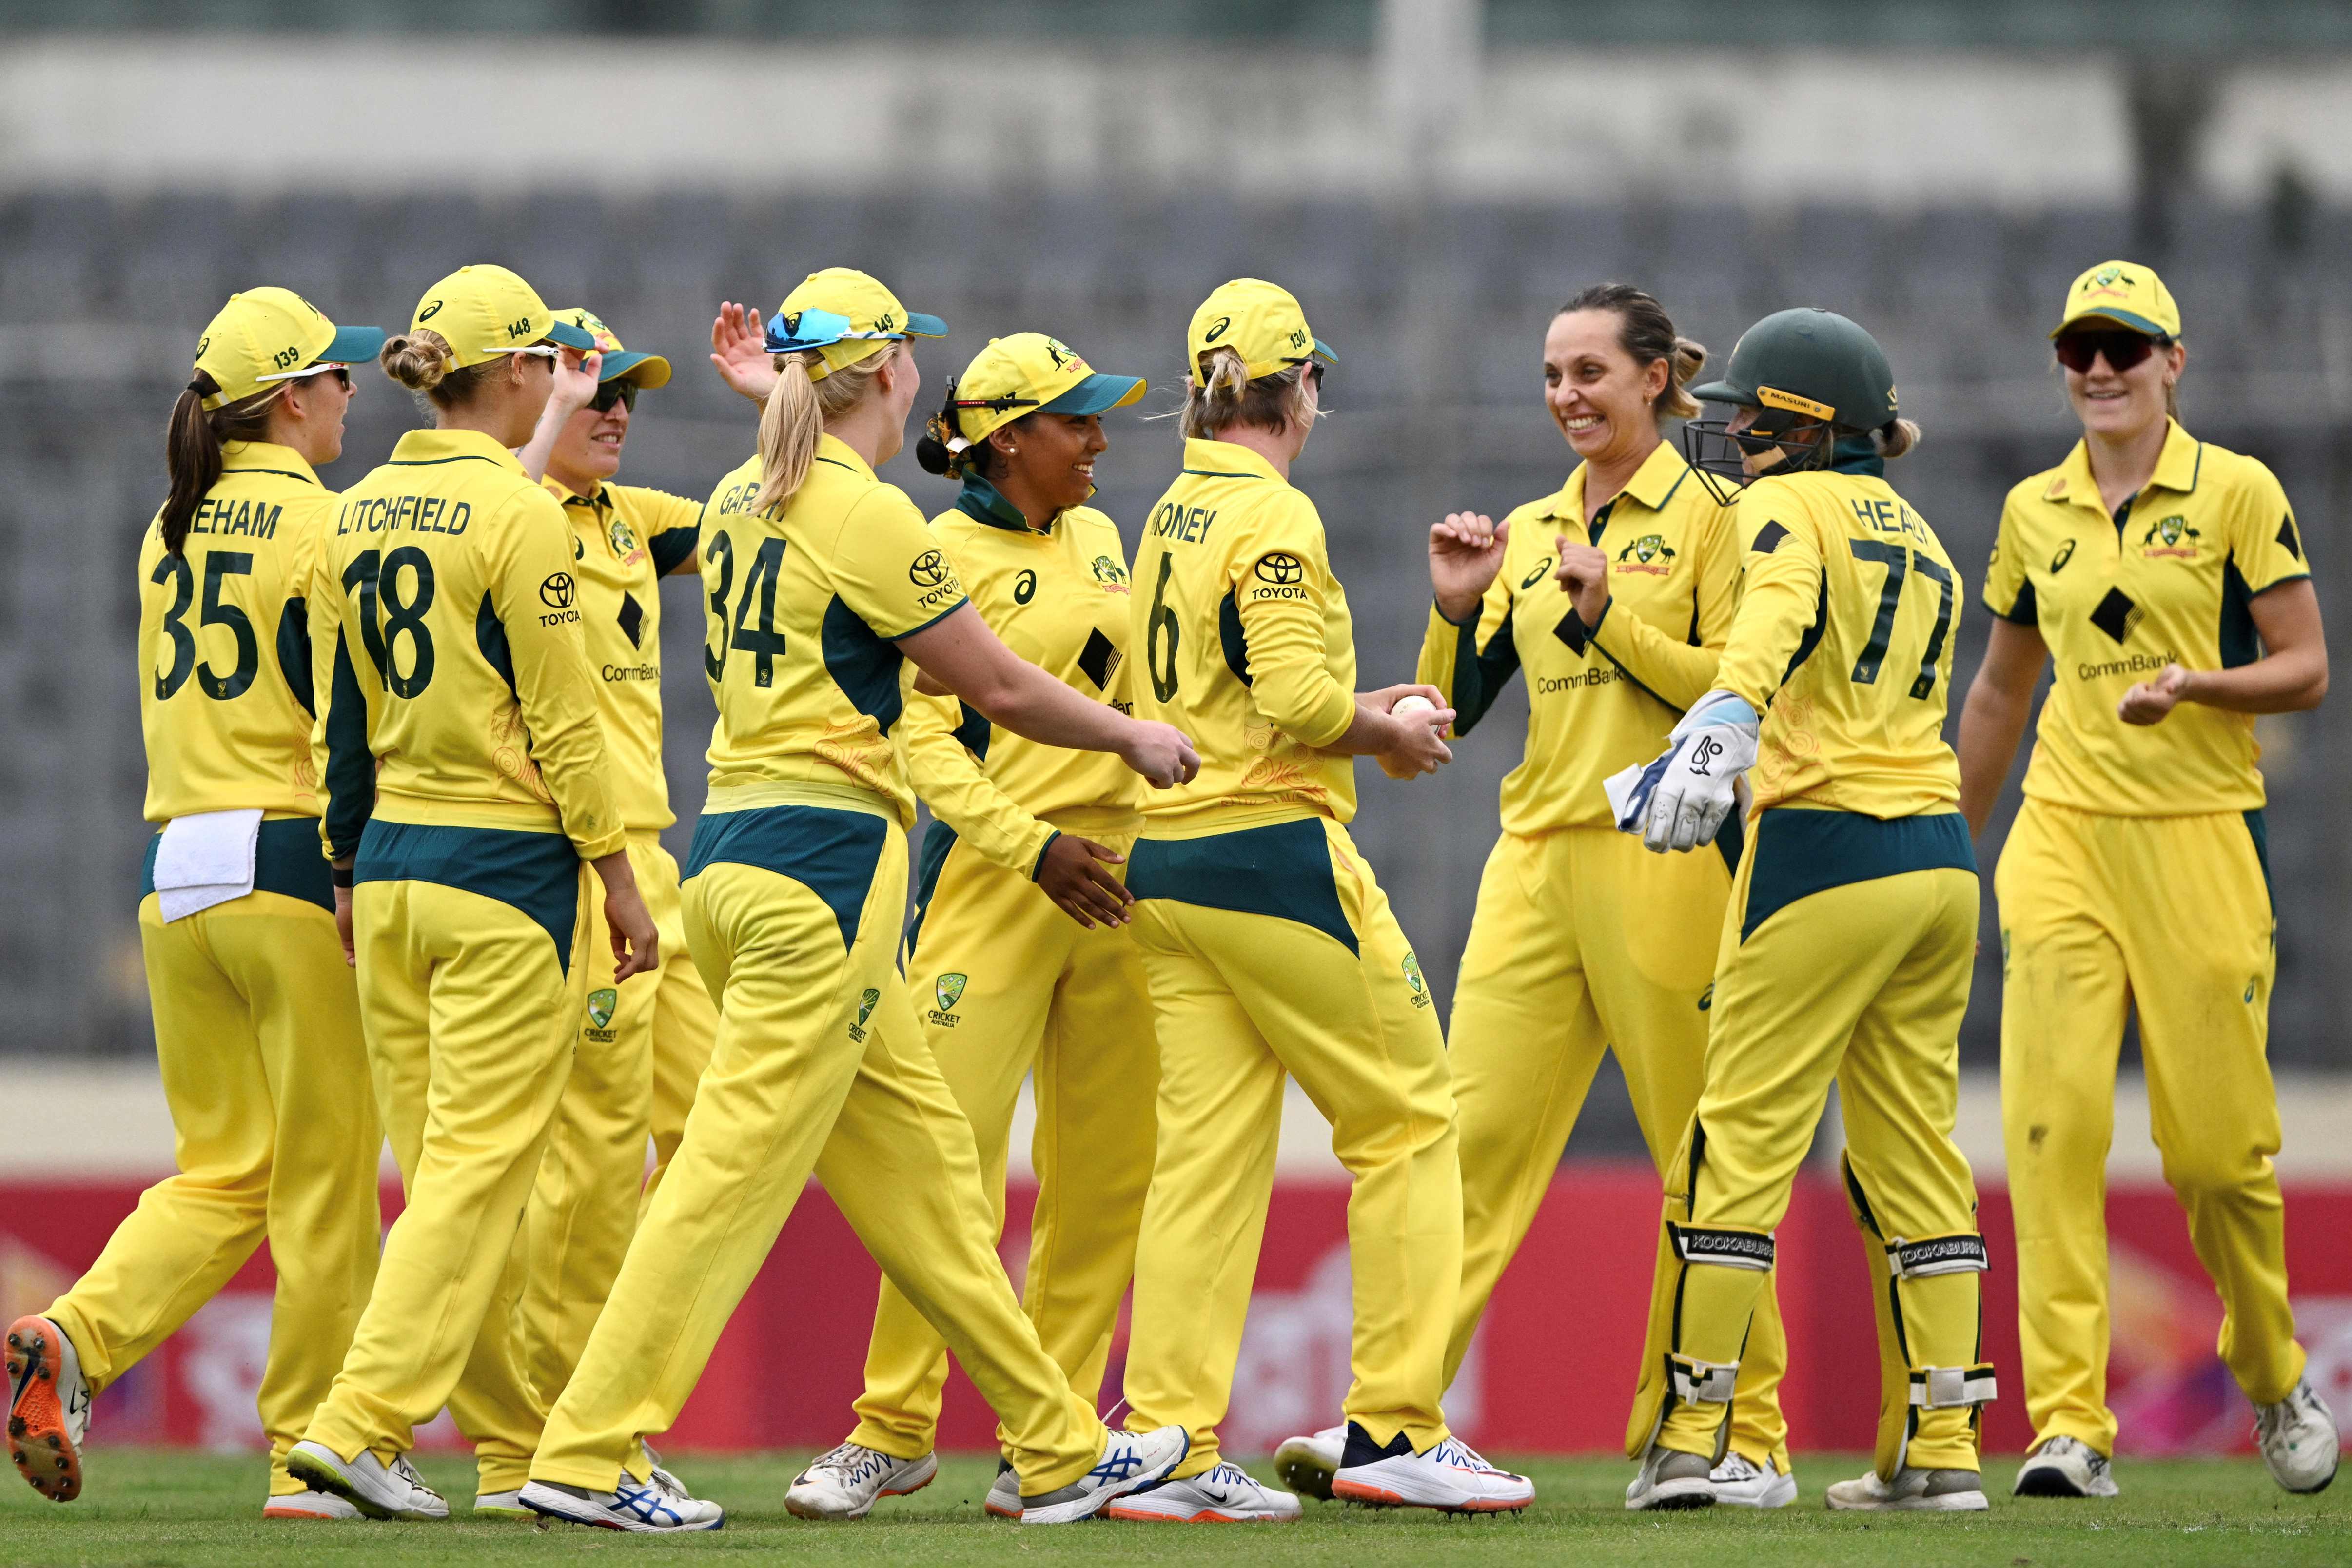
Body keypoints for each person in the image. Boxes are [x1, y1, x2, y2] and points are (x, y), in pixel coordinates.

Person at [519, 269, 1200, 1533]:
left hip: (732, 859)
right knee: (726, 1174)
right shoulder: (872, 515)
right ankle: (585, 1446)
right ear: (889, 374)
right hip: (822, 874)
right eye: (907, 359)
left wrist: (764, 399)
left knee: (931, 1175)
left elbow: (788, 498)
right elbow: (994, 687)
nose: (915, 376)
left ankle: (1053, 1448)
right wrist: (1133, 737)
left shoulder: (741, 493)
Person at [1274, 283, 1797, 1510]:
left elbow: (1737, 690)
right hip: (1535, 862)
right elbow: (1461, 706)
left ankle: (1742, 1433)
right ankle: (1391, 1425)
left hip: (1666, 859)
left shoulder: (1718, 516)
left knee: (1703, 1153)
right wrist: (1457, 614)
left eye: (1592, 373)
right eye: (1554, 374)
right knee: (1465, 1146)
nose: (1568, 394)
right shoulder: (1529, 522)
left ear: (1659, 379)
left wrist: (1608, 609)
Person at [1115, 278, 1532, 1519]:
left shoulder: (1169, 510)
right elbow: (1297, 702)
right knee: (1409, 1121)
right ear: (1298, 390)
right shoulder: (1272, 517)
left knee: (1202, 1160)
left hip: (1168, 862)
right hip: (1268, 852)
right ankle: (1397, 1426)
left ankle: (1171, 1445)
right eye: (1316, 383)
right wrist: (1389, 729)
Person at [283, 264, 658, 1523]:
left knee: (446, 1173)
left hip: (387, 871)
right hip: (506, 875)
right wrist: (616, 876)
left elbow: (338, 719)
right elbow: (562, 719)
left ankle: (493, 1456)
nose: (569, 382)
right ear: (518, 376)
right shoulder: (520, 514)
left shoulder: (352, 510)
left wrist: (342, 869)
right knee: (477, 1176)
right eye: (554, 363)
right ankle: (356, 1425)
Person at [772, 332, 1167, 1523]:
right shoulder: (931, 550)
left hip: (1115, 884)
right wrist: (1028, 847)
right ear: (1009, 440)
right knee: (944, 1173)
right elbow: (921, 740)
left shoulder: (1103, 536)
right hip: (995, 883)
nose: (1101, 441)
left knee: (1103, 1178)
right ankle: (890, 1430)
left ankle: (1043, 1441)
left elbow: (1138, 706)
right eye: (1077, 422)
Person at [1959, 261, 2337, 1499]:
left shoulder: (2236, 490)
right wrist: (1946, 845)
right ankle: (2070, 1421)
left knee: (2218, 1159)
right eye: (2080, 350)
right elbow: (2004, 688)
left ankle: (2275, 1375)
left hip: (2199, 836)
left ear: (2177, 362)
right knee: (2052, 1129)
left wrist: (2196, 687)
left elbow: (2306, 667)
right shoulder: (2033, 510)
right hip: (2061, 839)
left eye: (2126, 347)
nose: (2101, 371)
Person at [5, 290, 384, 1521]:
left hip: (177, 873)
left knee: (226, 1172)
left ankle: (73, 1335)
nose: (351, 393)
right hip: (287, 860)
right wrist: (349, 865)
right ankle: (312, 1453)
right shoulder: (322, 527)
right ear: (289, 400)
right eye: (337, 377)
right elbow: (346, 716)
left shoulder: (166, 527)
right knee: (326, 1181)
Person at [1619, 308, 1996, 1512]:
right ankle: (1943, 1451)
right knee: (1915, 1153)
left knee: (1738, 1140)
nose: (1732, 435)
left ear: (1808, 424)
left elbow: (1775, 612)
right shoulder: (1925, 534)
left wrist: (1725, 715)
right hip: (1937, 858)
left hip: (1825, 844)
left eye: (1752, 416)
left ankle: (1693, 1433)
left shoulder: (1788, 509)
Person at [436, 309, 718, 1517]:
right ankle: (565, 1446)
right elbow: (483, 507)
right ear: (528, 393)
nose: (611, 413)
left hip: (652, 866)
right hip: (568, 863)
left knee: (726, 1132)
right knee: (591, 1166)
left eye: (627, 397)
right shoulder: (506, 511)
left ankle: (582, 1418)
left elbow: (764, 529)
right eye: (584, 388)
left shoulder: (629, 519)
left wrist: (782, 407)